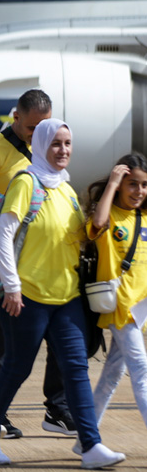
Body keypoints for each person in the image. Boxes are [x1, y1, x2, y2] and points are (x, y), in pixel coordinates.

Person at [0, 118, 125, 469]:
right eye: (56, 143)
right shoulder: (27, 181)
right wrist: (11, 287)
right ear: (41, 145)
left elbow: (78, 237)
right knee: (15, 368)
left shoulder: (66, 190)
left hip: (66, 297)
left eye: (68, 143)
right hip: (28, 297)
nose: (63, 150)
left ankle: (90, 446)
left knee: (75, 369)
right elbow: (3, 236)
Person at [0, 89, 73, 439]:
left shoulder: (49, 151)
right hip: (8, 267)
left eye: (45, 125)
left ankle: (57, 408)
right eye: (32, 127)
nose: (39, 133)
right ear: (16, 116)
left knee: (60, 343)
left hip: (46, 267)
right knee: (1, 347)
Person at [83, 153, 147, 434]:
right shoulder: (109, 217)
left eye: (144, 185)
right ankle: (88, 436)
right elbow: (97, 222)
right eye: (132, 184)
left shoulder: (143, 217)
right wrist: (111, 183)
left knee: (112, 375)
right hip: (122, 306)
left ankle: (87, 435)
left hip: (141, 307)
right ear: (120, 184)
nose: (139, 192)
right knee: (142, 372)